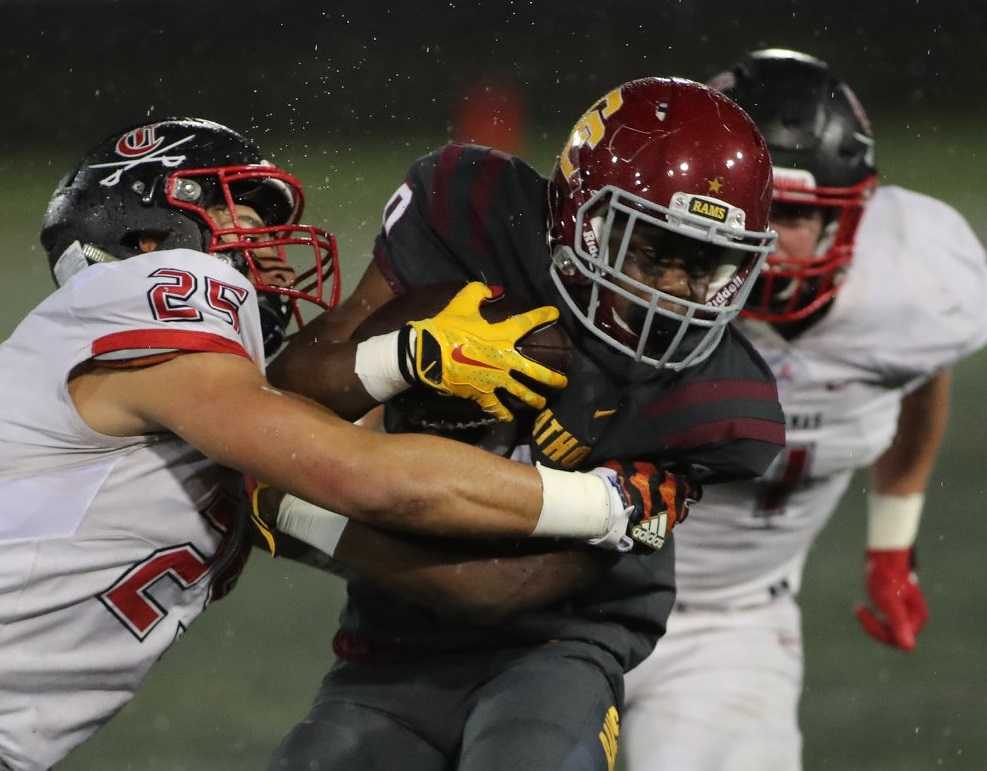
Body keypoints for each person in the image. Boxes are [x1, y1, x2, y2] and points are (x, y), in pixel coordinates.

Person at [0, 117, 676, 771]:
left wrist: (396, 367)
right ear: (146, 237)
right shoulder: (146, 294)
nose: (271, 250)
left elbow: (422, 549)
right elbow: (365, 477)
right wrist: (606, 503)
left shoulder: (197, 410)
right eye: (244, 220)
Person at [265, 77, 787, 770]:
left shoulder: (719, 400)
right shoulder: (471, 214)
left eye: (702, 264)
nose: (671, 292)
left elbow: (495, 592)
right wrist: (403, 357)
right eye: (650, 249)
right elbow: (293, 388)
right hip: (386, 650)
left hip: (554, 650)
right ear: (578, 214)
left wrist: (300, 514)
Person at [621, 50, 987, 771]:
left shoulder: (912, 289)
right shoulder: (631, 269)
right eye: (750, 210)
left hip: (731, 621)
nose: (765, 242)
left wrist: (891, 542)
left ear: (852, 215)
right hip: (559, 590)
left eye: (790, 214)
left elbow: (917, 374)